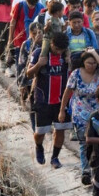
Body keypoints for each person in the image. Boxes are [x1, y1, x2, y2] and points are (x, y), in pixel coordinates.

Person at [60, 49, 99, 182]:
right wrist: (62, 110)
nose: (91, 66)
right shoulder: (76, 74)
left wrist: (94, 53)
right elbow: (67, 92)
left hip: (97, 113)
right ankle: (85, 170)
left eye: (93, 63)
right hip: (79, 113)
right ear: (83, 63)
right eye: (88, 63)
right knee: (84, 143)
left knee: (98, 142)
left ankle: (96, 167)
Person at [28, 32, 73, 168]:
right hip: (42, 100)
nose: (58, 52)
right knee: (40, 131)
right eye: (56, 49)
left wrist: (69, 62)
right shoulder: (39, 53)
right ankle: (39, 146)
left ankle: (55, 157)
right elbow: (28, 74)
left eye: (61, 50)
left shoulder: (66, 56)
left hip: (61, 101)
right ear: (51, 44)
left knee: (60, 130)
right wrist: (38, 65)